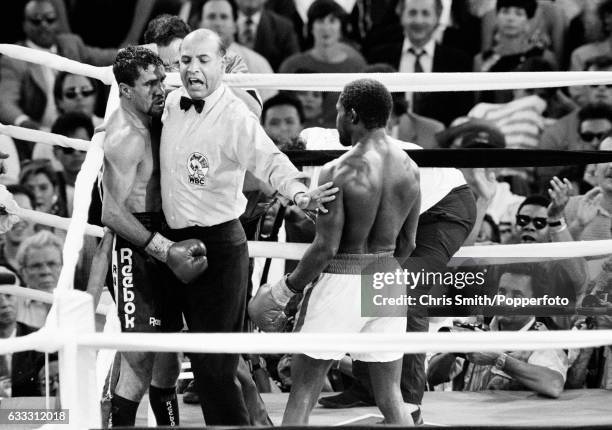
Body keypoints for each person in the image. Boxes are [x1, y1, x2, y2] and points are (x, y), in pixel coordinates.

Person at [159, 28, 337, 425]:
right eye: (186, 61)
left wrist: (300, 193)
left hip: (218, 245)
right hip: (170, 243)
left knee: (217, 365)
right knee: (181, 358)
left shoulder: (234, 115)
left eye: (204, 60)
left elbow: (270, 159)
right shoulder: (170, 102)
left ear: (223, 64)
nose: (193, 69)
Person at [249, 78, 421, 425]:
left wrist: (288, 289)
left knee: (304, 394)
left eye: (340, 111)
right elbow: (409, 244)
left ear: (353, 114)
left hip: (341, 279)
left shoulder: (337, 170)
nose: (337, 119)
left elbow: (326, 247)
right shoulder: (411, 168)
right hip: (388, 278)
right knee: (390, 396)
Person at [100, 46, 208, 427]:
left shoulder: (156, 118)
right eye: (150, 83)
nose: (160, 88)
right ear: (126, 90)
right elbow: (110, 211)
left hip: (166, 234)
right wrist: (163, 248)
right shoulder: (126, 136)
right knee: (141, 357)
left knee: (168, 356)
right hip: (136, 244)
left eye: (161, 79)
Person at [427, 264, 570, 398]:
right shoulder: (477, 327)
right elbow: (432, 377)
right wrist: (453, 350)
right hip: (463, 420)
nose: (505, 300)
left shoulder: (542, 338)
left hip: (509, 422)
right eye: (501, 292)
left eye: (517, 296)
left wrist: (498, 359)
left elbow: (554, 385)